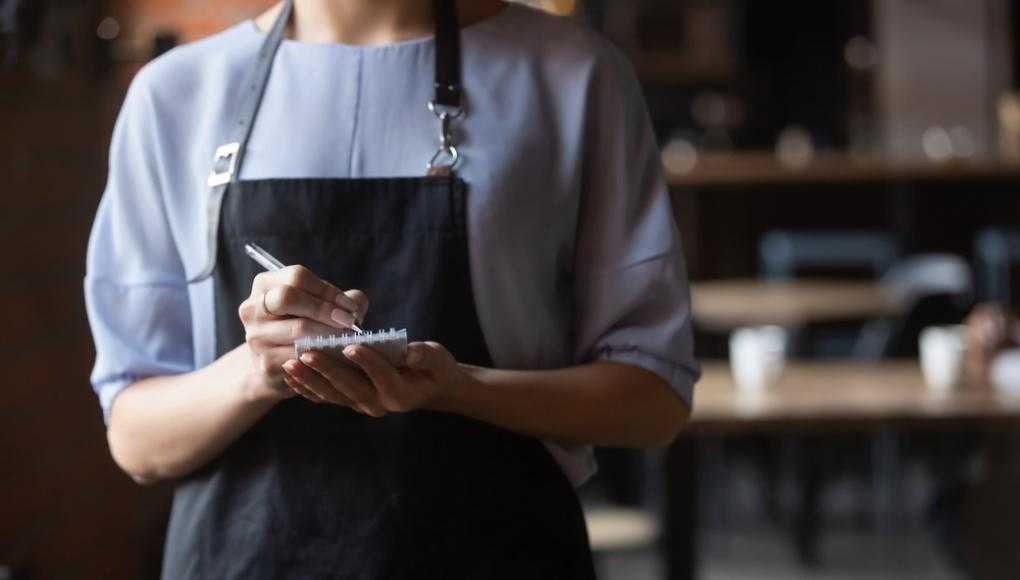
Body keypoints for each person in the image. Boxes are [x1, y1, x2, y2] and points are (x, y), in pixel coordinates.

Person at [84, 0, 699, 577]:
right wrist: (255, 370)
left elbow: (653, 402)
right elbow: (138, 441)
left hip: (499, 554)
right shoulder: (176, 94)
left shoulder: (572, 76)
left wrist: (463, 389)